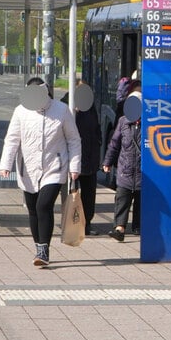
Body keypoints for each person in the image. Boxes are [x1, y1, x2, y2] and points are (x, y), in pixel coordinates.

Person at [0, 77, 81, 266]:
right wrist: (5, 165)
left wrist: (74, 166)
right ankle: (38, 247)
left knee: (44, 206)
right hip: (27, 167)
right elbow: (12, 140)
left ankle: (44, 250)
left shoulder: (61, 110)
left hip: (55, 167)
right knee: (33, 209)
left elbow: (74, 139)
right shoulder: (20, 112)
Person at [62, 80, 103, 236]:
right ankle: (71, 224)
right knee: (71, 192)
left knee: (88, 194)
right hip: (72, 158)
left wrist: (97, 143)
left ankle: (86, 224)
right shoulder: (66, 106)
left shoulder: (91, 108)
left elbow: (96, 128)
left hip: (90, 157)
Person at [102, 80, 142, 241]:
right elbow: (114, 144)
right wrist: (107, 162)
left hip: (143, 171)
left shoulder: (151, 123)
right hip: (125, 168)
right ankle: (119, 228)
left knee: (141, 200)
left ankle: (138, 227)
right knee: (122, 198)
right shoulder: (123, 121)